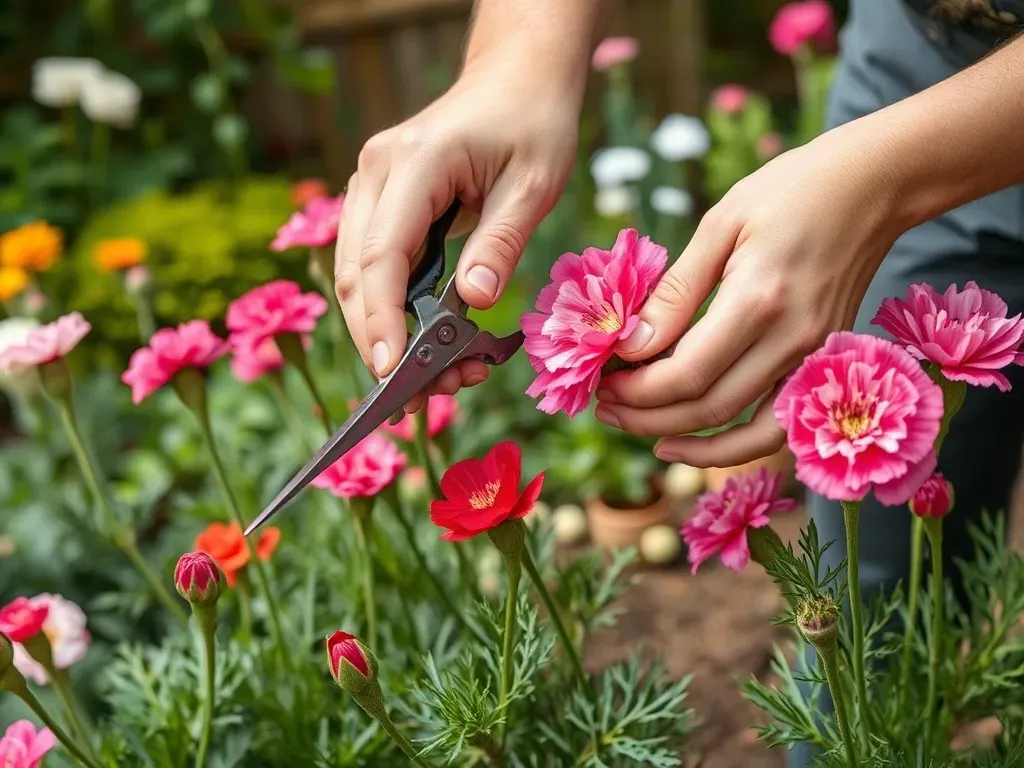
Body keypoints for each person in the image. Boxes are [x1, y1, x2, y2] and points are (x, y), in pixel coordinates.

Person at [335, 0, 1024, 762]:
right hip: (922, 54)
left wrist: (881, 183)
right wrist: (520, 56)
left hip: (921, 133)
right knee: (868, 623)